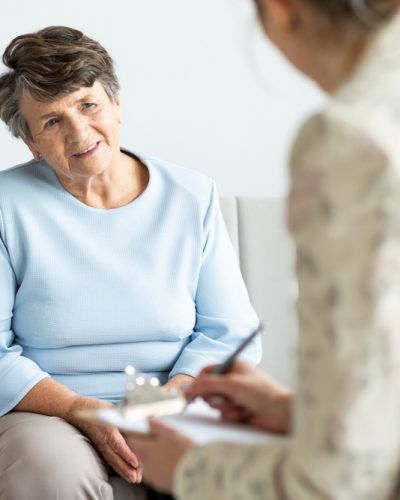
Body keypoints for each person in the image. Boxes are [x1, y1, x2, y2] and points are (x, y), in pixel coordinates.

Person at [129, 0, 400, 498]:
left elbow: (337, 479)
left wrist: (187, 469)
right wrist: (302, 413)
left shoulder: (351, 139)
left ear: (281, 9)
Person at [0, 26, 261, 499]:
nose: (79, 132)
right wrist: (83, 410)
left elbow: (229, 330)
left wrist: (168, 399)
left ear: (117, 105)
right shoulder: (5, 205)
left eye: (88, 104)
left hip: (176, 400)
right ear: (32, 144)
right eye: (52, 122)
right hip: (50, 413)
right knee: (48, 472)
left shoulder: (192, 196)